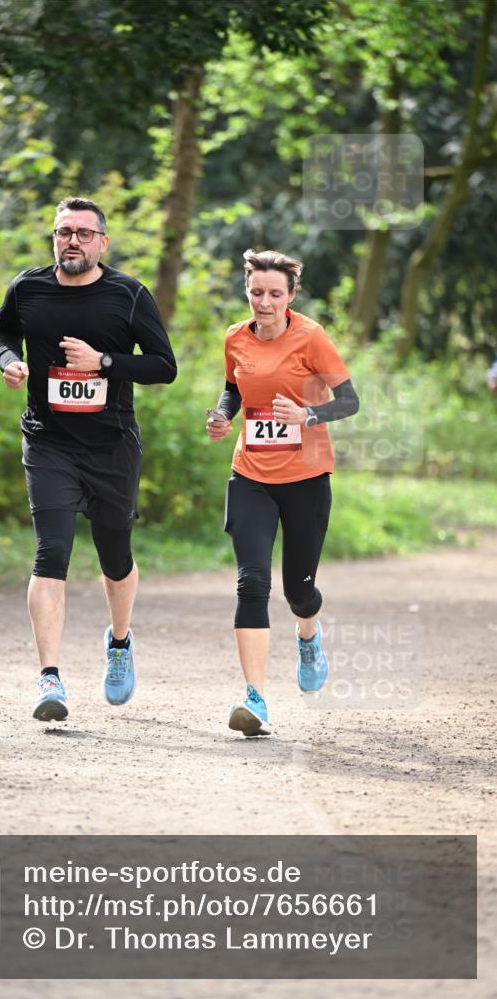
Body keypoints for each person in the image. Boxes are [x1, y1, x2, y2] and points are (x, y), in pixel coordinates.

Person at [0, 196, 177, 723]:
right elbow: (2, 330)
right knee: (51, 552)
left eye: (83, 233)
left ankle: (119, 642)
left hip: (112, 445)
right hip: (48, 441)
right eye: (63, 231)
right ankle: (50, 679)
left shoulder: (129, 294)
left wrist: (105, 362)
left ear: (102, 242)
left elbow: (164, 366)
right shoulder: (28, 288)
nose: (72, 240)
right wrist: (10, 361)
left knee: (114, 554)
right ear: (54, 237)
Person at [207, 249, 359, 737]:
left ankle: (309, 634)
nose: (264, 303)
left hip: (307, 478)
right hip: (250, 474)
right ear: (246, 291)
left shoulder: (311, 337)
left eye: (275, 294)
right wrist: (222, 415)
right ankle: (255, 697)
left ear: (291, 296)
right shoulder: (234, 337)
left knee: (298, 590)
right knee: (252, 582)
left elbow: (350, 401)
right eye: (256, 293)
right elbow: (233, 387)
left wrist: (308, 416)